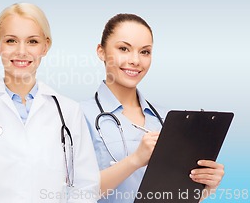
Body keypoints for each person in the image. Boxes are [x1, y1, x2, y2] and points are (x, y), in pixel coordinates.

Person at [0, 3, 100, 203]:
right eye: (11, 41)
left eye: (32, 41)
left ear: (46, 46)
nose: (21, 51)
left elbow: (86, 185)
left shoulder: (69, 111)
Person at [81, 13, 225, 202]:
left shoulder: (168, 119)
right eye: (124, 48)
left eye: (145, 52)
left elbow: (175, 194)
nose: (135, 60)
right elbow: (75, 193)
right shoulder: (77, 115)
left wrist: (205, 187)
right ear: (101, 51)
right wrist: (135, 160)